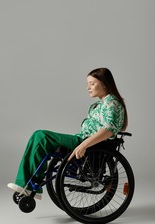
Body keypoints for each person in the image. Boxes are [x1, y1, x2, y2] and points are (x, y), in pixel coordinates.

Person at [7, 67, 128, 199]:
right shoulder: (98, 105)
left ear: (104, 83)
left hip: (87, 143)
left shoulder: (112, 103)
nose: (88, 87)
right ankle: (27, 182)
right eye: (87, 84)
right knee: (37, 137)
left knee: (41, 136)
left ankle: (31, 183)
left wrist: (84, 145)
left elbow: (109, 130)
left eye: (92, 84)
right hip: (82, 139)